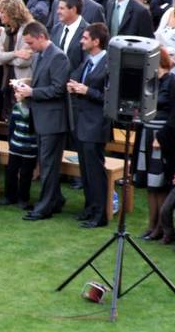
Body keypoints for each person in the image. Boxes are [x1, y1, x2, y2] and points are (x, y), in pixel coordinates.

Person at [14, 21, 70, 221]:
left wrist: (32, 92)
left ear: (41, 37)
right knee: (46, 163)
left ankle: (44, 206)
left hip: (53, 121)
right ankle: (55, 200)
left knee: (48, 165)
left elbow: (58, 89)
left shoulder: (58, 57)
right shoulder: (40, 56)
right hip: (41, 119)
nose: (29, 47)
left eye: (30, 43)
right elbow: (40, 83)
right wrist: (24, 88)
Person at [132, 48, 175, 241]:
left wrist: (160, 138)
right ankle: (151, 225)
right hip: (147, 135)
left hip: (162, 139)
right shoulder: (151, 83)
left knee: (160, 184)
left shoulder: (174, 83)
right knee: (150, 185)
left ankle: (163, 228)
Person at [66, 23, 111, 228]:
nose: (81, 41)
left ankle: (100, 214)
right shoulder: (88, 61)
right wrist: (73, 85)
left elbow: (110, 98)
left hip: (96, 125)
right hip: (82, 123)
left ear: (96, 41)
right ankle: (90, 207)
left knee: (95, 171)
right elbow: (76, 78)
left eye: (85, 38)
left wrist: (87, 91)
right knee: (85, 170)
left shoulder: (109, 64)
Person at [0, 0, 35, 116]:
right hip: (7, 82)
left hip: (23, 83)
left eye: (2, 12)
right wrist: (15, 53)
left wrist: (6, 58)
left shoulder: (28, 28)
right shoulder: (6, 31)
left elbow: (23, 61)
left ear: (12, 13)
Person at [51, 0, 87, 71]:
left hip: (74, 81)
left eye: (62, 8)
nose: (58, 12)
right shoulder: (56, 29)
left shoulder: (87, 31)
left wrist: (72, 79)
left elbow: (86, 61)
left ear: (73, 9)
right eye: (58, 8)